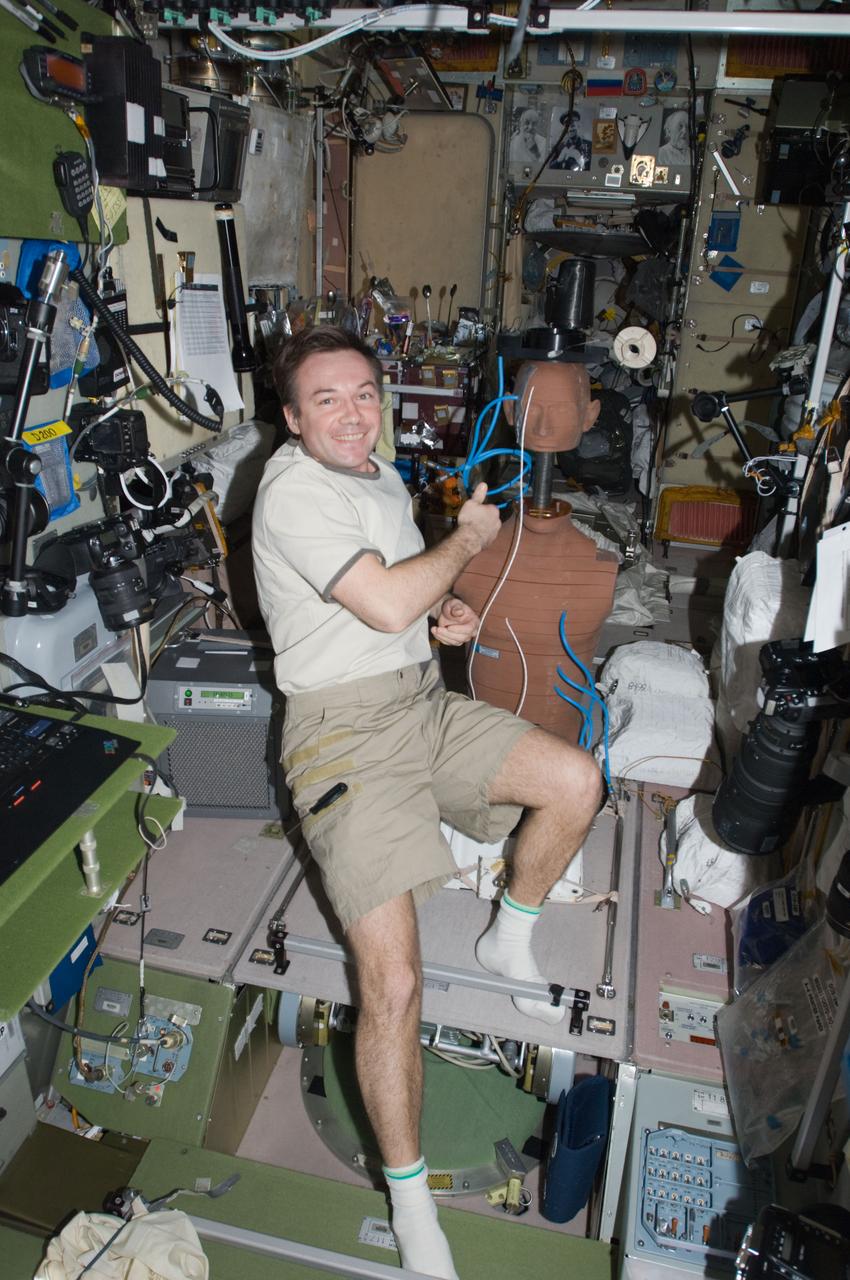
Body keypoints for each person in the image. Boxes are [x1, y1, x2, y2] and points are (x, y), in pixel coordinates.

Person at [251, 326, 602, 1280]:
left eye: (364, 392)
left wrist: (445, 622)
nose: (353, 412)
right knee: (395, 985)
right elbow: (383, 603)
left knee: (578, 781)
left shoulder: (374, 478)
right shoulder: (292, 488)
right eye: (326, 399)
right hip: (340, 740)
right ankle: (410, 1206)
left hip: (419, 702)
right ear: (290, 418)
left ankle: (510, 933)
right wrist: (462, 548)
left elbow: (400, 610)